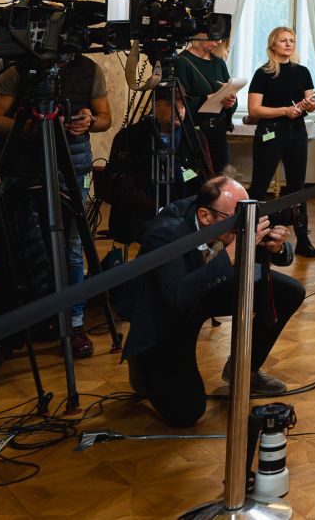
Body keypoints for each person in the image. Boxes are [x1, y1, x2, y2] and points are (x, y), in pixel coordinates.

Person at [123, 174, 305, 427]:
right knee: (186, 412)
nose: (244, 220)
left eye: (246, 210)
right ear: (205, 217)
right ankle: (143, 364)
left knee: (289, 291)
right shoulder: (166, 232)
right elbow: (176, 295)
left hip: (209, 285)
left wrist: (277, 248)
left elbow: (282, 258)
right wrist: (231, 253)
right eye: (236, 216)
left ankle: (244, 369)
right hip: (171, 311)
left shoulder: (226, 215)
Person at [0, 54, 112, 367]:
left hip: (72, 166)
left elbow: (106, 117)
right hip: (21, 167)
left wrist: (90, 120)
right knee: (9, 248)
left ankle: (73, 323)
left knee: (71, 249)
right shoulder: (17, 70)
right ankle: (4, 332)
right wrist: (36, 126)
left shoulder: (89, 70)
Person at [99, 85, 213, 245]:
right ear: (155, 106)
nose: (179, 110)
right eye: (170, 104)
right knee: (163, 236)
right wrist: (158, 208)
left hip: (185, 211)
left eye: (182, 104)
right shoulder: (131, 136)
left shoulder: (195, 137)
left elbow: (207, 179)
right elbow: (123, 185)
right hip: (142, 213)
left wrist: (184, 208)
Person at [246, 26, 315, 258]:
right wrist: (285, 111)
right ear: (273, 44)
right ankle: (252, 236)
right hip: (270, 132)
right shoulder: (262, 73)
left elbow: (310, 102)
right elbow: (254, 110)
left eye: (292, 40)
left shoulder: (302, 71)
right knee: (259, 186)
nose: (288, 44)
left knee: (297, 187)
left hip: (297, 132)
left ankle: (303, 239)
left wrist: (311, 105)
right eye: (283, 40)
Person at [174, 33, 236, 173]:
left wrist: (231, 102)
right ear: (200, 35)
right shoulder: (182, 61)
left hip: (218, 133)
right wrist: (208, 98)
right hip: (195, 134)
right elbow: (179, 104)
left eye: (221, 38)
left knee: (221, 178)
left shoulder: (219, 63)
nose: (219, 42)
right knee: (198, 178)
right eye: (214, 37)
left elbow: (229, 95)